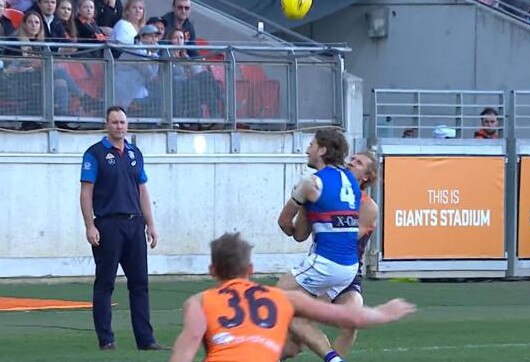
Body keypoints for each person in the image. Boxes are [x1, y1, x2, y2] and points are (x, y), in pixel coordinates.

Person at [169, 232, 416, 362]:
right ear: (251, 270)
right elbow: (348, 317)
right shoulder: (284, 298)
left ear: (212, 271)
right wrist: (386, 311)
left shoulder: (198, 302)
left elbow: (186, 348)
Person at [80, 105, 164, 351]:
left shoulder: (135, 153)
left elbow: (142, 190)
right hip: (108, 225)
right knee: (105, 283)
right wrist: (89, 225)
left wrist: (151, 224)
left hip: (134, 224)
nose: (119, 126)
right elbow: (86, 193)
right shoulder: (94, 154)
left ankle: (146, 340)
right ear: (107, 125)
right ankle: (106, 339)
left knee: (140, 284)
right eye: (115, 122)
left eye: (123, 122)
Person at [277, 128, 361, 362]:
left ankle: (332, 359)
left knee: (273, 300)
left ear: (322, 150)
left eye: (312, 144)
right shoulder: (351, 180)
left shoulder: (311, 183)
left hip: (326, 263)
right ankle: (283, 350)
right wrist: (308, 209)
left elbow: (287, 225)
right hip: (349, 268)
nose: (307, 149)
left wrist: (298, 210)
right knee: (296, 325)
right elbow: (309, 231)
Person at [286, 151, 380, 359]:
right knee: (293, 344)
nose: (351, 163)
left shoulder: (368, 206)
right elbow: (300, 235)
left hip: (348, 272)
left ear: (367, 176)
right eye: (351, 159)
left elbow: (347, 239)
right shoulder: (326, 192)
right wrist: (305, 203)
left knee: (352, 322)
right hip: (325, 269)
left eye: (358, 162)